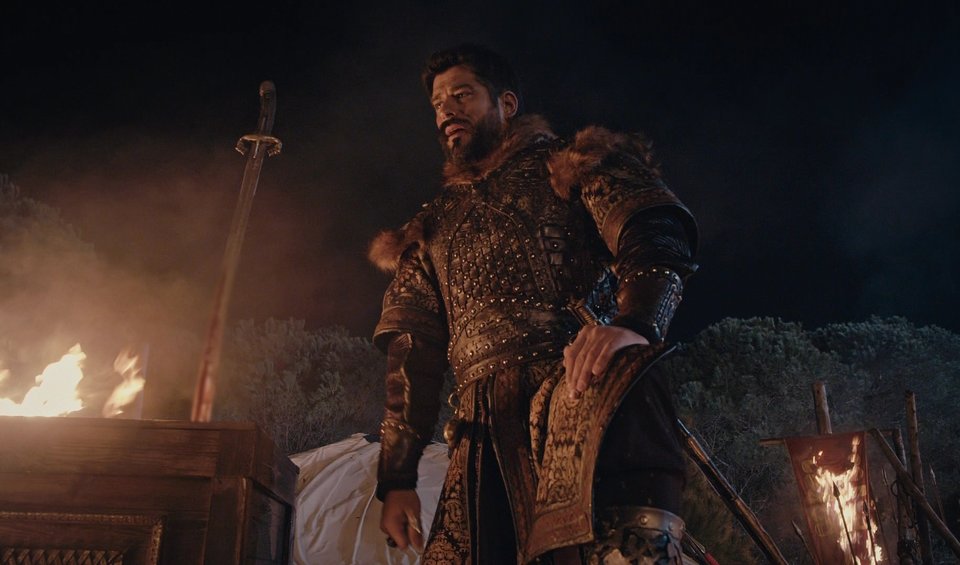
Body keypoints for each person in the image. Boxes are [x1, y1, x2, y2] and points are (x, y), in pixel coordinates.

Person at [370, 44, 698, 564]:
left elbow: (652, 229)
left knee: (619, 550)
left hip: (578, 390)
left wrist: (634, 323)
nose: (447, 110)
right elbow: (413, 354)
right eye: (437, 103)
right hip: (481, 438)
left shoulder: (569, 166)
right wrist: (396, 478)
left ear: (506, 103)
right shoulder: (430, 227)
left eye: (462, 95)